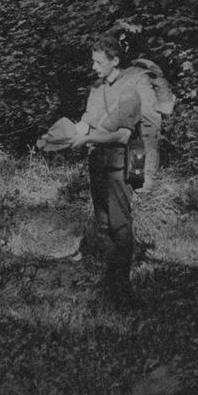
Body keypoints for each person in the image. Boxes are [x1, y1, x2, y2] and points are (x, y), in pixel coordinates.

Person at [66, 31, 143, 307]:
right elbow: (86, 121)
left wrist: (87, 139)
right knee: (103, 224)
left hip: (119, 165)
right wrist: (67, 134)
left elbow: (123, 136)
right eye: (93, 61)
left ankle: (121, 289)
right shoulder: (97, 89)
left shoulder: (129, 91)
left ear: (115, 61)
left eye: (99, 62)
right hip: (97, 162)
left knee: (120, 226)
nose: (94, 67)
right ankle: (109, 286)